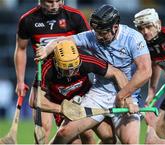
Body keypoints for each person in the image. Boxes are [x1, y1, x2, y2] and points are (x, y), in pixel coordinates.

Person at [36, 4, 152, 144]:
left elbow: (145, 71)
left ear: (115, 27)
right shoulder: (92, 36)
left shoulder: (133, 38)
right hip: (99, 94)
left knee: (130, 143)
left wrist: (124, 96)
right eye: (95, 31)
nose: (98, 36)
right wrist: (46, 49)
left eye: (102, 33)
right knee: (64, 133)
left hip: (127, 93)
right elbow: (63, 40)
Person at [14, 0, 93, 143]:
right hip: (45, 80)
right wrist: (20, 81)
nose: (55, 5)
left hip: (73, 81)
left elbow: (89, 44)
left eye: (58, 0)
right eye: (50, 2)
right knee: (42, 129)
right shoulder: (28, 20)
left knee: (81, 136)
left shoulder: (75, 16)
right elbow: (20, 49)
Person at [35, 40, 130, 143]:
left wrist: (128, 100)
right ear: (56, 62)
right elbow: (35, 101)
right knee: (74, 137)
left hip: (87, 99)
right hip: (63, 104)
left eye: (74, 69)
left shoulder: (85, 59)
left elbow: (117, 73)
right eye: (66, 70)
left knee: (109, 138)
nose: (71, 73)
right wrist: (62, 109)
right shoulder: (46, 68)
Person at [133, 8, 165, 144]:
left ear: (157, 23)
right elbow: (155, 65)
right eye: (141, 28)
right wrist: (151, 92)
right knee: (158, 132)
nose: (145, 32)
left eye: (148, 26)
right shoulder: (146, 45)